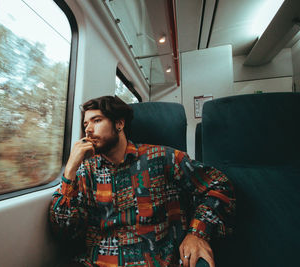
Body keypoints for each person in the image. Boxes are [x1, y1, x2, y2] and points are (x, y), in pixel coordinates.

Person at [50, 96, 235, 267]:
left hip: (151, 260)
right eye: (85, 124)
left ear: (119, 124)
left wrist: (197, 233)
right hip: (95, 261)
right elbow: (64, 230)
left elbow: (218, 185)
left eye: (97, 120)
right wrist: (70, 168)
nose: (88, 130)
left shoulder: (164, 157)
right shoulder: (86, 171)